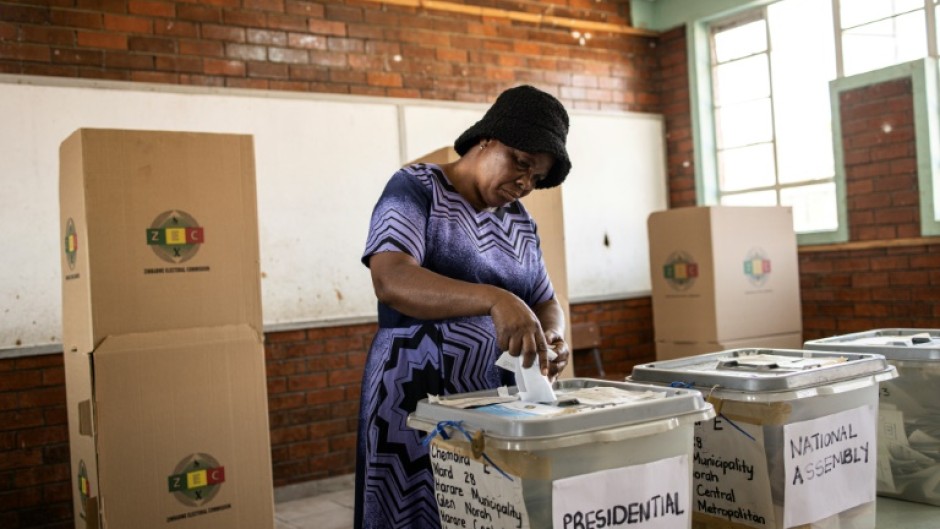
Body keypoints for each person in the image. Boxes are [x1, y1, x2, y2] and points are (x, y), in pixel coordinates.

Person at [354, 85, 573, 529]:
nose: (524, 183)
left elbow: (545, 298)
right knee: (416, 513)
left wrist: (550, 334)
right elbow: (391, 277)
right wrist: (495, 299)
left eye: (536, 177)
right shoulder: (417, 187)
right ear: (486, 139)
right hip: (415, 399)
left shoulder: (519, 222)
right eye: (521, 163)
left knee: (482, 513)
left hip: (497, 404)